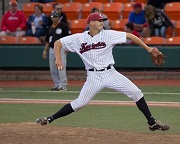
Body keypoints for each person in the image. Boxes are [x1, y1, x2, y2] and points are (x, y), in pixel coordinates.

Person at [36, 12, 170, 132]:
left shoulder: (108, 34)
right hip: (93, 76)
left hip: (110, 73)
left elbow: (130, 36)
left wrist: (148, 49)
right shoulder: (79, 38)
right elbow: (58, 42)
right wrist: (58, 59)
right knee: (79, 103)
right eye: (99, 20)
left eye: (102, 21)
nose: (102, 22)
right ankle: (49, 119)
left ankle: (152, 123)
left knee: (136, 92)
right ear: (91, 23)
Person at [42, 11, 71, 91]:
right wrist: (45, 51)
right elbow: (48, 40)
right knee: (53, 68)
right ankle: (57, 84)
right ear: (51, 18)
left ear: (58, 17)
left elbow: (68, 38)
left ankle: (63, 84)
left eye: (56, 16)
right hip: (52, 49)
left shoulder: (63, 26)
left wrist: (67, 48)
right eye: (53, 17)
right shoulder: (50, 27)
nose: (54, 18)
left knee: (61, 66)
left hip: (61, 48)